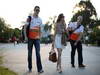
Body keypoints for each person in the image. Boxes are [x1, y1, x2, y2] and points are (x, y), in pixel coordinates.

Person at [25, 6, 44, 73]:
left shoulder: (40, 20)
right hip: (30, 39)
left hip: (37, 39)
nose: (37, 11)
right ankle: (30, 67)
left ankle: (40, 69)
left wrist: (40, 37)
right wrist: (26, 37)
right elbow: (25, 27)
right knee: (29, 54)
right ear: (34, 10)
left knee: (38, 54)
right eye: (36, 10)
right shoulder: (30, 18)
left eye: (38, 10)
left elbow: (40, 30)